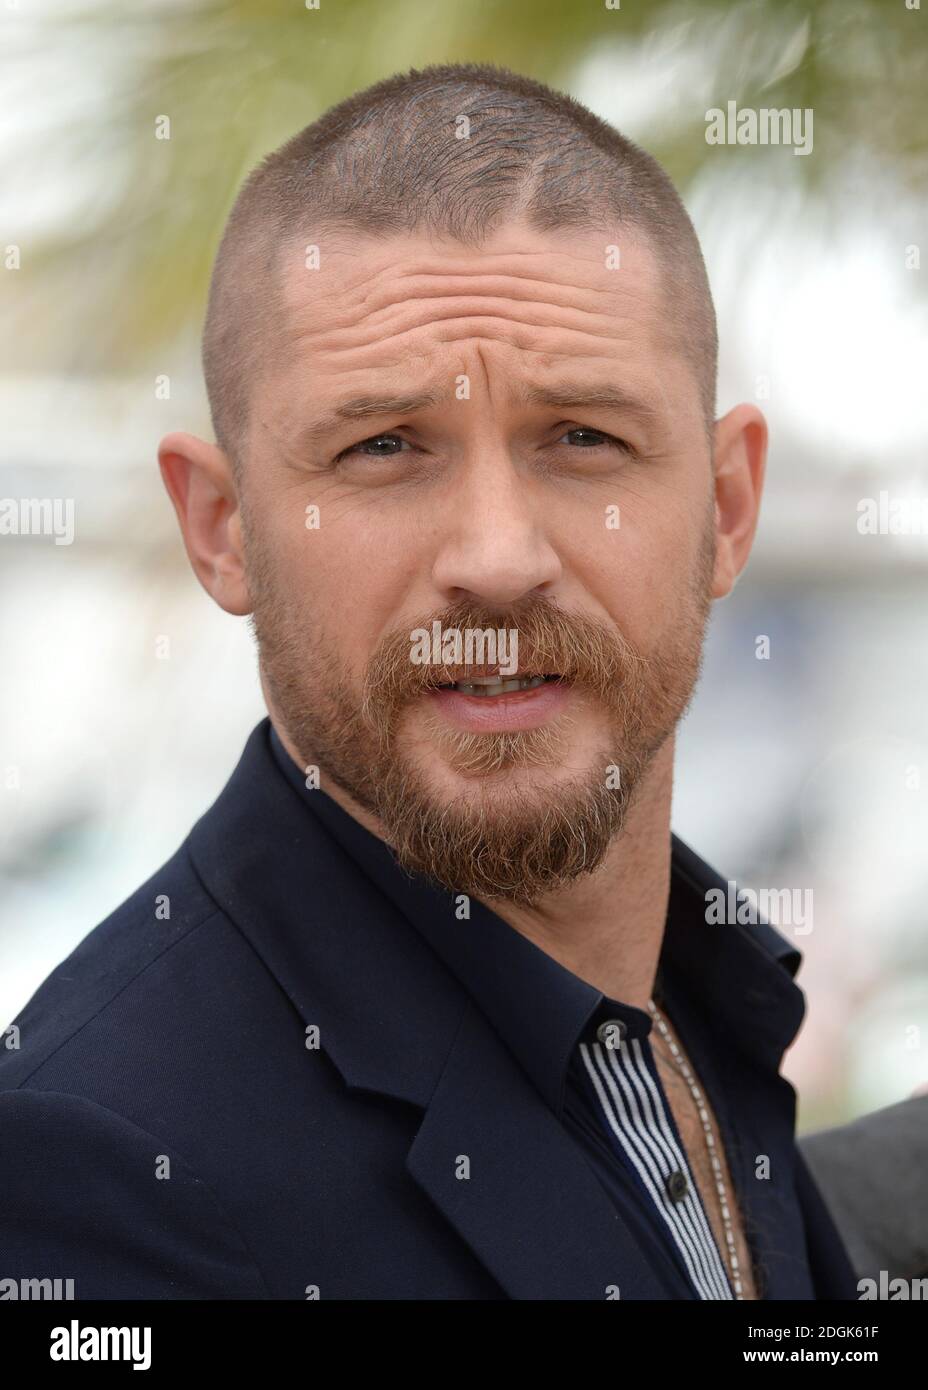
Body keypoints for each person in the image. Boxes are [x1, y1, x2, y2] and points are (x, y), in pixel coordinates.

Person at [0, 64, 859, 1300]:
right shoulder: (102, 1173)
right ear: (223, 527)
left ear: (725, 508)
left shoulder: (708, 1005)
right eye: (384, 447)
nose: (497, 560)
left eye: (583, 438)